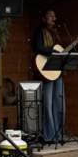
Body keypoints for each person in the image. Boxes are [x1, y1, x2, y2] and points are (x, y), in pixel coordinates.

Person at [32, 8, 65, 144]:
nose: (54, 19)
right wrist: (52, 51)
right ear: (44, 18)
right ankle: (49, 136)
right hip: (46, 71)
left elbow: (62, 51)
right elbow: (38, 48)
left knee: (59, 103)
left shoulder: (56, 33)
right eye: (51, 16)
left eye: (54, 16)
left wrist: (77, 44)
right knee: (47, 104)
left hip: (57, 71)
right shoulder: (39, 31)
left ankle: (58, 134)